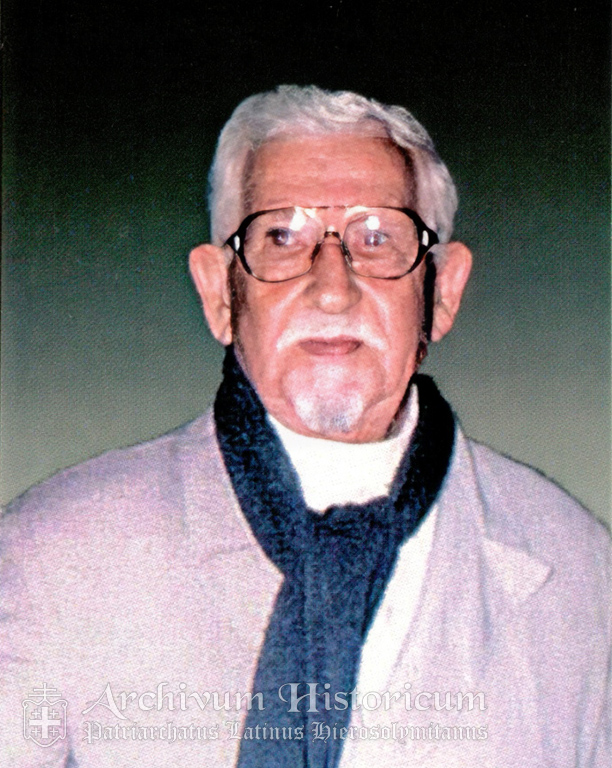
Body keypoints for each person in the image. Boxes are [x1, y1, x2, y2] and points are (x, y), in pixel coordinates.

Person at [1, 85, 609, 768]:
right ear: (219, 293)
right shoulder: (49, 557)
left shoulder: (583, 575)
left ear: (441, 292)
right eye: (282, 237)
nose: (332, 288)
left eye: (376, 238)